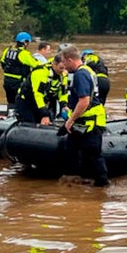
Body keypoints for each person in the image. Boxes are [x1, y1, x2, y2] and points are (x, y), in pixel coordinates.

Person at [60, 45, 108, 187]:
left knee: (93, 155)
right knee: (71, 149)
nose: (64, 66)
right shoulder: (88, 70)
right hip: (83, 121)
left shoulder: (80, 74)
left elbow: (84, 101)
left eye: (64, 62)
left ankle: (102, 186)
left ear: (70, 60)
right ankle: (75, 183)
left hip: (90, 122)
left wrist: (70, 120)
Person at [16, 55, 66, 125]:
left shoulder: (63, 75)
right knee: (30, 123)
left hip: (42, 102)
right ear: (54, 64)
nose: (63, 71)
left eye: (65, 68)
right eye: (61, 68)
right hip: (26, 101)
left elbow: (63, 93)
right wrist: (44, 114)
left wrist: (64, 105)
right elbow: (38, 95)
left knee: (48, 121)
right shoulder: (41, 72)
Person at [1, 32, 38, 103]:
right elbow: (36, 65)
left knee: (10, 101)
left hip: (7, 81)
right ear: (25, 42)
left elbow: (2, 62)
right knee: (19, 101)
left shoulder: (7, 50)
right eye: (28, 42)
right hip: (18, 82)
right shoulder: (23, 53)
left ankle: (10, 109)